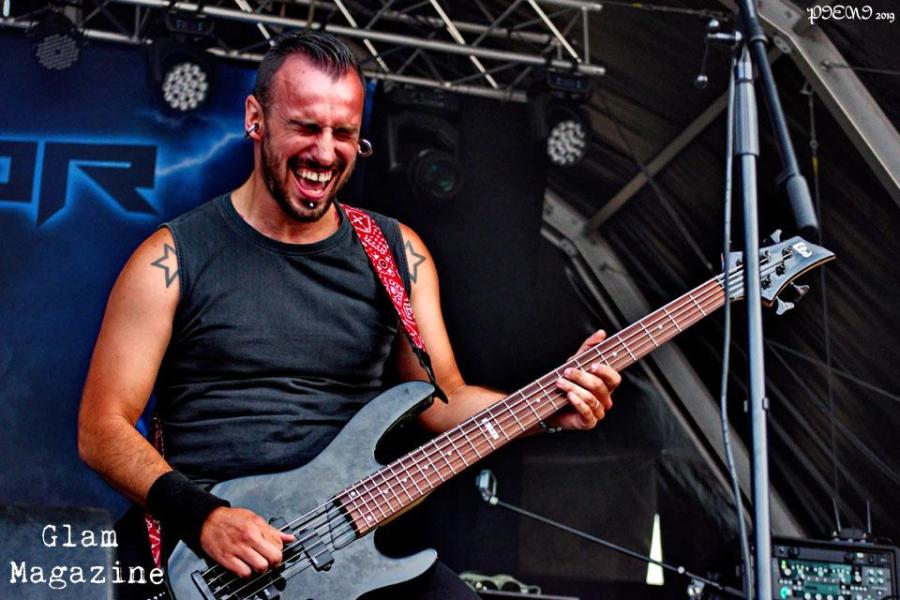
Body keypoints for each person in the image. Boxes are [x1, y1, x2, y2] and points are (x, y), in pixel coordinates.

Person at [78, 30, 621, 599]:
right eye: (306, 127)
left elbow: (443, 400)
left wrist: (547, 406)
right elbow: (101, 428)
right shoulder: (170, 259)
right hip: (210, 556)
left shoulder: (397, 253)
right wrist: (203, 517)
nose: (325, 153)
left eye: (344, 133)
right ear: (255, 118)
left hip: (344, 549)